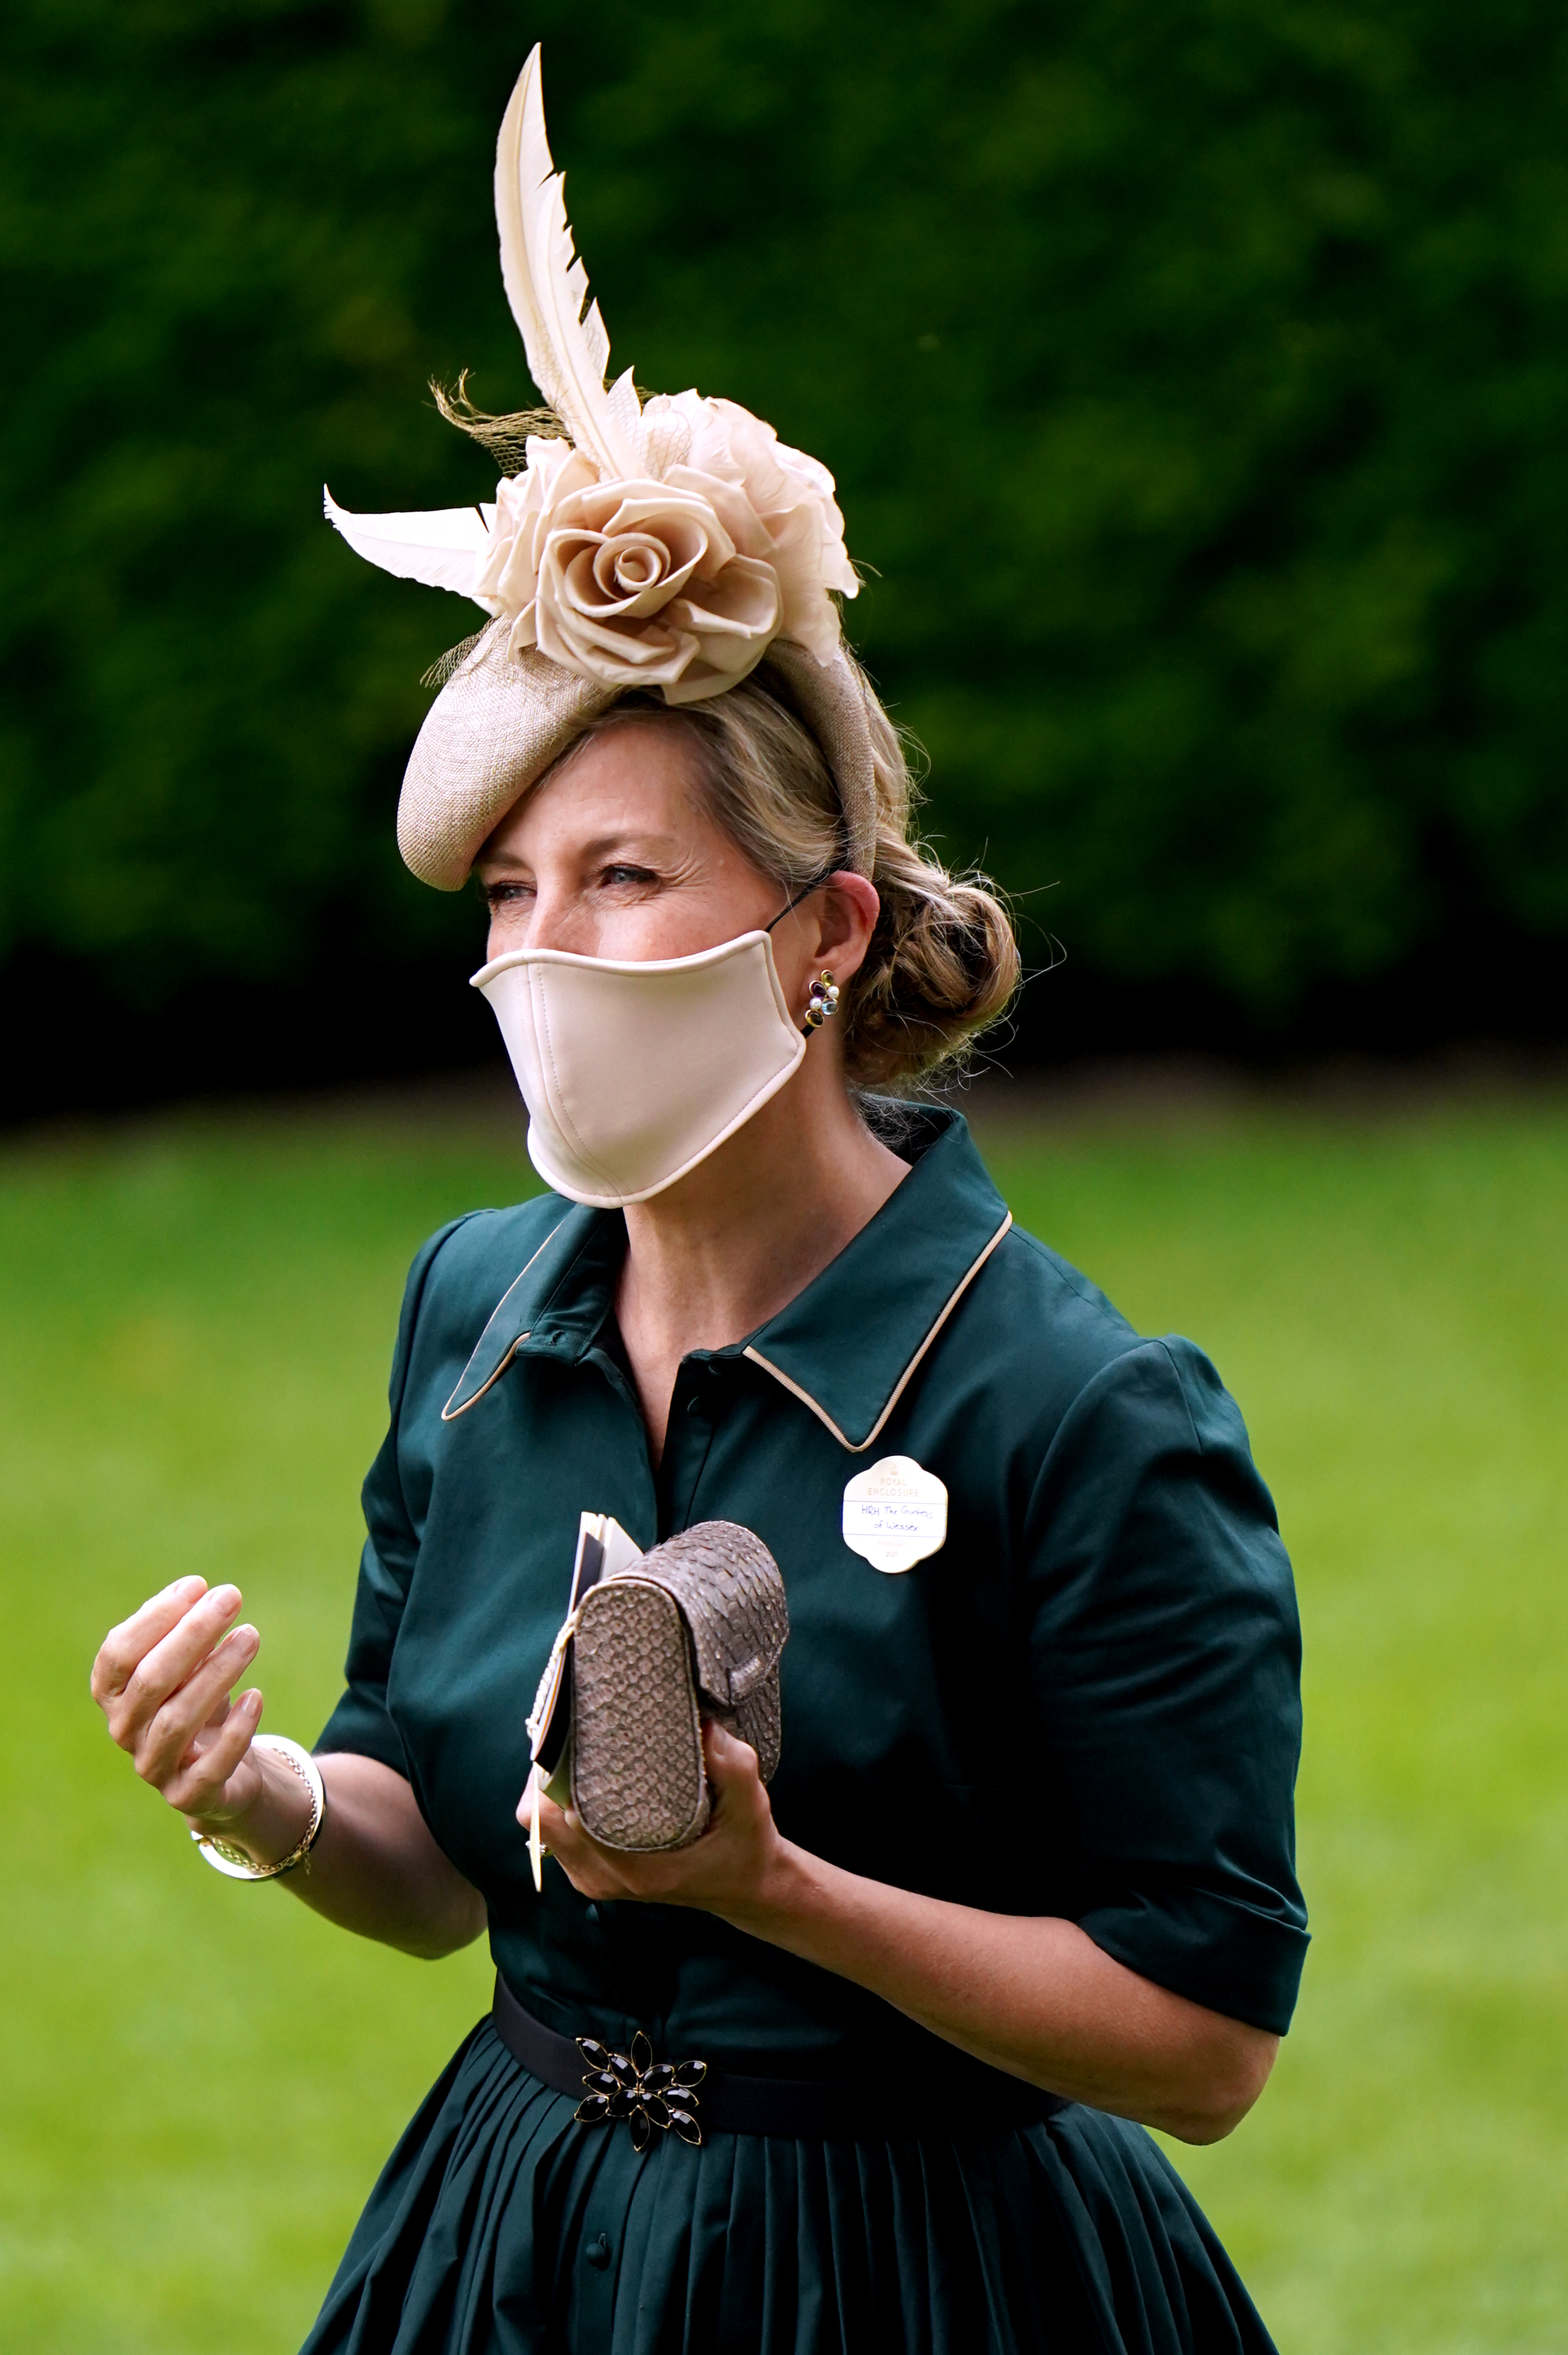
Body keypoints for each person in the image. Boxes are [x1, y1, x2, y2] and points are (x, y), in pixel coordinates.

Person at [90, 48, 1306, 2355]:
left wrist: (778, 1889)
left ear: (826, 932)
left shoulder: (1079, 1406)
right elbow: (442, 1870)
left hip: (929, 2278)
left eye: (626, 873)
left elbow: (1206, 2040)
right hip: (516, 2242)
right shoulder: (475, 1311)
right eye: (513, 886)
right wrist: (260, 1794)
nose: (541, 945)